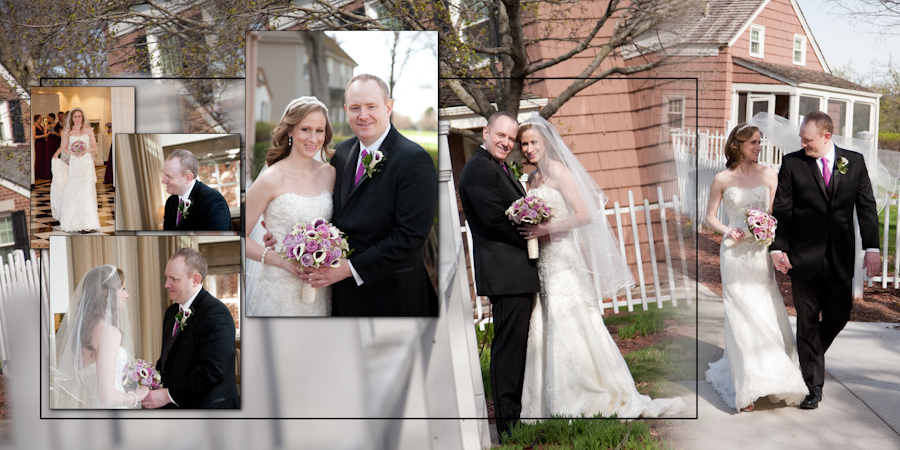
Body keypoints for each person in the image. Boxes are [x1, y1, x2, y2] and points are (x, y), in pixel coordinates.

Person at [515, 113, 684, 419]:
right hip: (543, 262)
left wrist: (545, 230)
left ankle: (586, 392)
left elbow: (585, 214)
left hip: (563, 259)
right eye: (524, 143)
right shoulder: (531, 179)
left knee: (574, 321)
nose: (528, 148)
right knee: (549, 322)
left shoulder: (558, 171)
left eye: (533, 142)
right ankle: (550, 398)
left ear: (546, 143)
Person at [262, 75, 438, 316]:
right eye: (355, 108)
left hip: (392, 298)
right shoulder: (342, 153)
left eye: (371, 107)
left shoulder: (413, 159)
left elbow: (410, 236)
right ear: (346, 110)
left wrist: (349, 269)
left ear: (388, 107)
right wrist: (284, 236)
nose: (362, 115)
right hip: (340, 298)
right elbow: (326, 210)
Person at [770, 111, 881, 409]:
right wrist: (777, 248)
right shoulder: (793, 163)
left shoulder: (853, 162)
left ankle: (808, 355)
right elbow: (783, 208)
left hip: (840, 256)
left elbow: (866, 208)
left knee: (839, 315)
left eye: (808, 140)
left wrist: (873, 248)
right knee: (807, 321)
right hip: (802, 256)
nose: (803, 144)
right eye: (801, 140)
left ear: (826, 136)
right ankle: (812, 387)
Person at [703, 122, 809, 412]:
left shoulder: (769, 175)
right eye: (753, 142)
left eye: (760, 142)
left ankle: (772, 371)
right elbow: (710, 216)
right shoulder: (722, 179)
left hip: (759, 252)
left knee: (763, 306)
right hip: (735, 253)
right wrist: (727, 230)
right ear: (737, 144)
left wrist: (769, 232)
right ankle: (746, 384)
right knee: (739, 310)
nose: (758, 147)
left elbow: (776, 213)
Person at [457, 111, 539, 438]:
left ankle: (515, 419)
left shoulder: (497, 167)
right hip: (505, 274)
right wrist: (532, 230)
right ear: (486, 131)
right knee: (507, 351)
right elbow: (493, 220)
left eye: (511, 138)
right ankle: (507, 428)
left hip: (516, 273)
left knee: (515, 348)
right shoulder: (478, 169)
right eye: (500, 135)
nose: (506, 142)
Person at [245, 96, 335, 316]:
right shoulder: (271, 179)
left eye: (319, 131)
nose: (313, 138)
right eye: (305, 129)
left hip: (320, 291)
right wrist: (281, 262)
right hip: (278, 292)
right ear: (290, 131)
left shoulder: (330, 174)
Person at [141, 248, 240, 409]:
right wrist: (149, 379)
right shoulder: (171, 312)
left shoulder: (216, 313)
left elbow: (213, 371)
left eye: (173, 279)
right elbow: (168, 358)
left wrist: (167, 395)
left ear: (195, 280)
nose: (167, 284)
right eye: (167, 277)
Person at [51, 265, 149, 409]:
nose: (126, 295)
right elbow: (107, 398)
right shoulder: (109, 333)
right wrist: (136, 396)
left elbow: (85, 381)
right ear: (106, 294)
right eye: (123, 289)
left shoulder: (85, 332)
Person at [51, 107, 101, 233]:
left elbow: (94, 147)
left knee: (87, 190)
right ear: (71, 119)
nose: (77, 119)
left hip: (87, 163)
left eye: (79, 116)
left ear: (82, 117)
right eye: (75, 117)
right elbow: (64, 148)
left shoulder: (88, 130)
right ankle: (72, 220)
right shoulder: (67, 132)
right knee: (75, 188)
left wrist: (85, 150)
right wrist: (73, 151)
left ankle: (88, 222)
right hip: (75, 163)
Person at [161, 149, 233, 231]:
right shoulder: (170, 202)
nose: (163, 181)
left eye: (169, 176)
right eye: (164, 174)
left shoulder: (212, 201)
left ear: (188, 178)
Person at [45, 113, 61, 180]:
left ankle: (57, 173)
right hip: (49, 143)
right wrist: (48, 133)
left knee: (56, 158)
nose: (47, 118)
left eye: (48, 117)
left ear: (52, 118)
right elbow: (45, 136)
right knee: (48, 157)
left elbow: (60, 135)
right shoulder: (47, 126)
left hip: (56, 142)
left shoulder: (58, 125)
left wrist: (55, 133)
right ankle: (49, 175)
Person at [33, 114, 48, 180]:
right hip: (38, 143)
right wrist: (42, 136)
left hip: (43, 143)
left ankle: (42, 174)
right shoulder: (34, 126)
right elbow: (34, 136)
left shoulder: (42, 126)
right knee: (39, 158)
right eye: (40, 118)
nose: (41, 119)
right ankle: (38, 175)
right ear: (36, 119)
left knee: (43, 158)